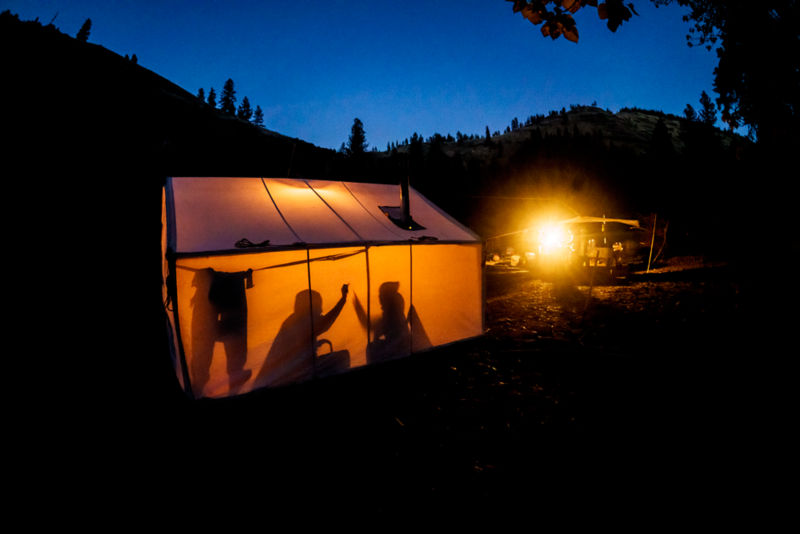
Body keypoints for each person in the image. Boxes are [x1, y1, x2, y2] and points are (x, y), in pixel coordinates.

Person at [255, 284, 350, 387]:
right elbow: (325, 323)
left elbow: (300, 343)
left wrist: (316, 344)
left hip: (288, 372)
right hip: (291, 375)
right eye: (318, 305)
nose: (321, 310)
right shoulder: (302, 321)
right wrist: (342, 300)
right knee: (341, 358)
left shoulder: (292, 320)